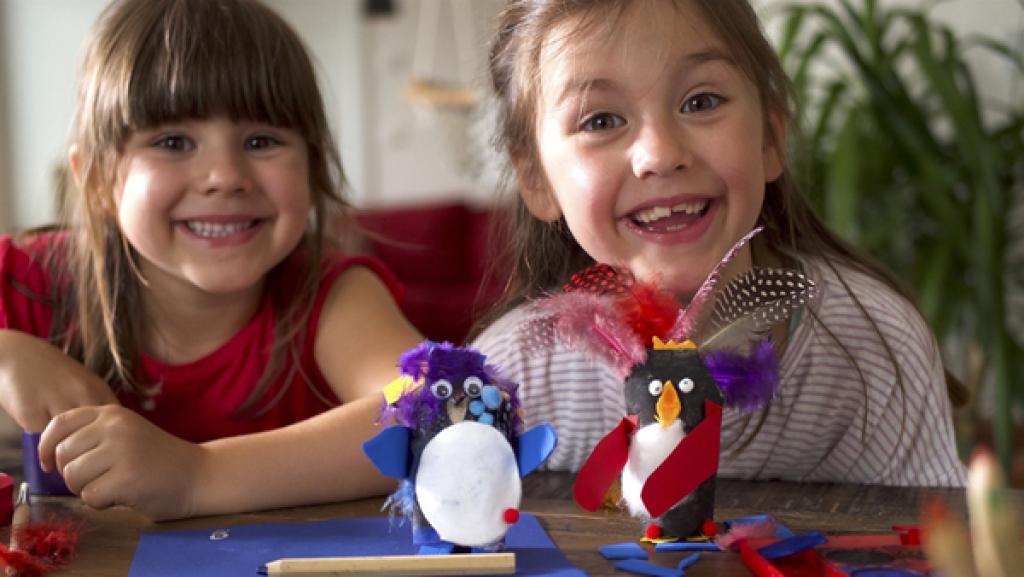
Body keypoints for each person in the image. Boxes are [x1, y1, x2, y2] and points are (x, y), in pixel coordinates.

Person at [473, 0, 966, 486]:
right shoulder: (511, 377)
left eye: (701, 102)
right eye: (600, 121)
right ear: (535, 177)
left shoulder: (874, 345)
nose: (660, 155)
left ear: (771, 139)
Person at [0, 0, 423, 520]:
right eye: (173, 141)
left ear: (313, 169)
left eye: (261, 140)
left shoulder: (330, 295)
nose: (225, 175)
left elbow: (437, 408)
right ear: (98, 181)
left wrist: (198, 474)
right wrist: (5, 354)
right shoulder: (30, 278)